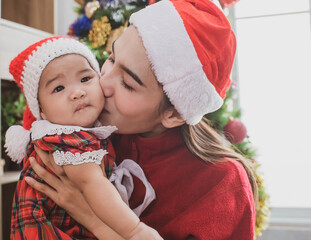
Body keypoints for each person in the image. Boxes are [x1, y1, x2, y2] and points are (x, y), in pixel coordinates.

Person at [25, 0, 258, 239]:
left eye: (127, 83)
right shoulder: (85, 136)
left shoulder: (222, 182)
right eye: (111, 58)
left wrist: (95, 220)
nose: (102, 83)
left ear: (174, 113)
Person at [5, 36, 162, 240]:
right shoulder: (63, 139)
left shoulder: (89, 130)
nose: (78, 92)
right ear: (41, 111)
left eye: (85, 79)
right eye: (59, 88)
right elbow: (92, 183)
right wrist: (135, 231)